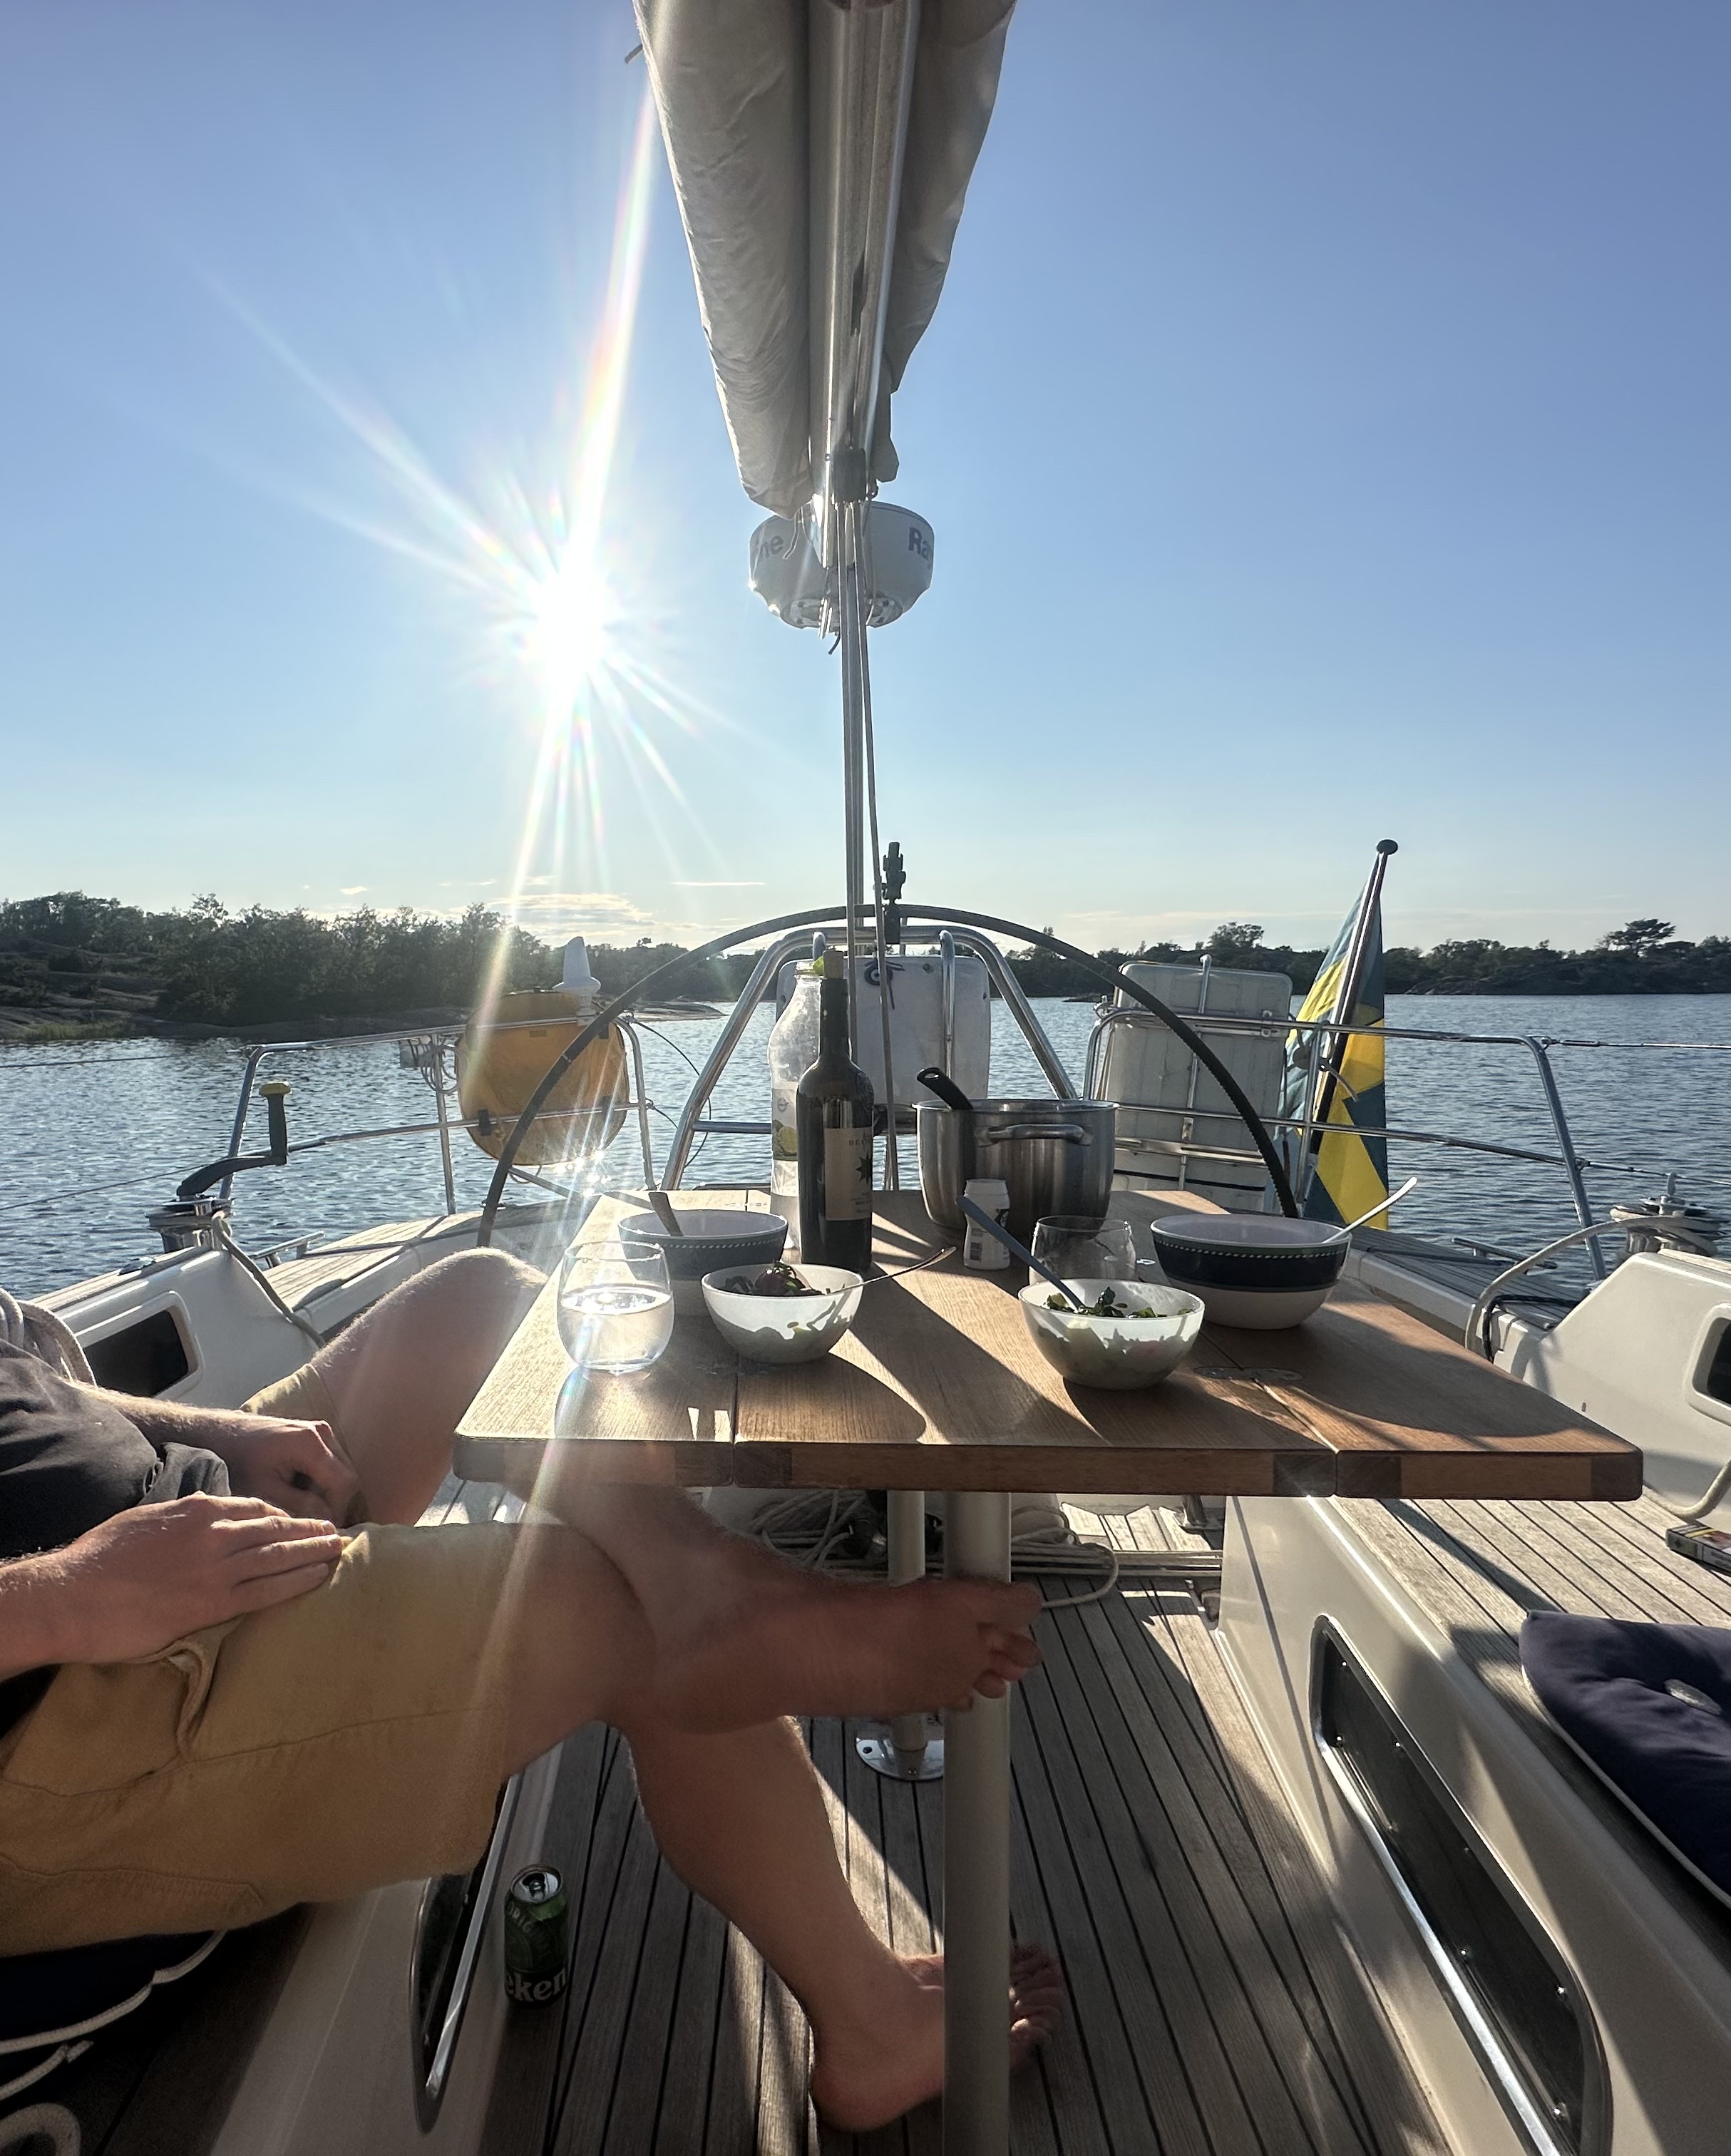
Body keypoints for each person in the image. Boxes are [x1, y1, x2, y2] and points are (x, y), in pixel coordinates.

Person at [0, 1254, 1059, 2129]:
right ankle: (871, 2028)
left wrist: (204, 1432)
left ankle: (707, 1590)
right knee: (608, 1602)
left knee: (492, 1307)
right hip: (69, 1683)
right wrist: (69, 1596)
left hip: (162, 1506)